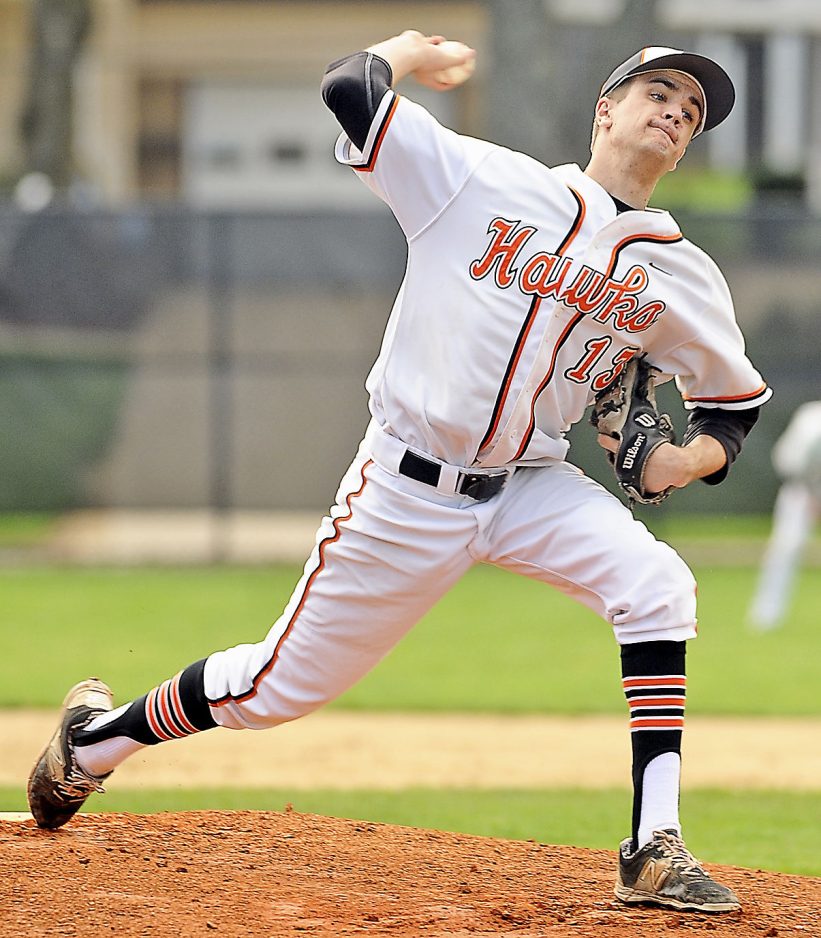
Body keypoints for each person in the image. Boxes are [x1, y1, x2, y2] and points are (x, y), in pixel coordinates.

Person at [29, 33, 770, 914]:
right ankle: (93, 744)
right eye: (658, 93)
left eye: (691, 111)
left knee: (657, 586)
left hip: (530, 483)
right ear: (605, 110)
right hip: (408, 487)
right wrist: (411, 50)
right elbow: (351, 88)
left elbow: (733, 405)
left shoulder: (679, 273)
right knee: (275, 687)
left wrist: (688, 459)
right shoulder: (478, 179)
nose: (675, 112)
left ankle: (652, 848)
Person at [748, 401, 821, 630]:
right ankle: (766, 615)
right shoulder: (812, 418)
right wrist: (812, 495)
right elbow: (790, 461)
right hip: (801, 491)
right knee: (786, 548)